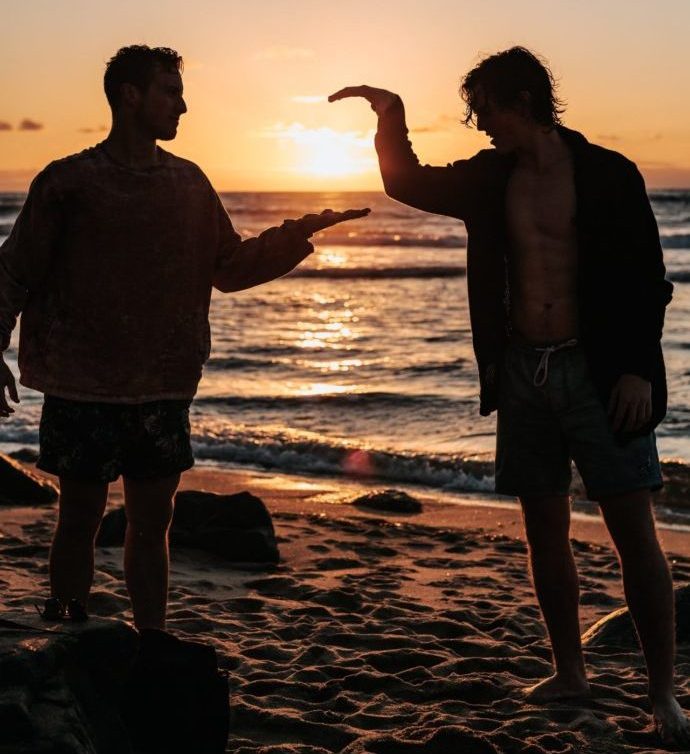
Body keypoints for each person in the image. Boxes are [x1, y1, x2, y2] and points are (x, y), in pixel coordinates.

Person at [329, 46, 689, 744]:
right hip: (524, 372)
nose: (480, 124)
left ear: (520, 101)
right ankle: (571, 672)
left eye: (485, 109)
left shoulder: (609, 174)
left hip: (601, 373)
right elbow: (406, 181)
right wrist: (389, 114)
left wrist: (639, 370)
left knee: (633, 533)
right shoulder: (490, 178)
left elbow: (650, 280)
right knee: (542, 530)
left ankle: (662, 697)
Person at [0, 44, 368, 632]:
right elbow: (14, 270)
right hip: (82, 387)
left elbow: (228, 267)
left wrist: (298, 234)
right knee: (78, 517)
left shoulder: (189, 184)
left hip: (163, 387)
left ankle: (152, 641)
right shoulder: (69, 182)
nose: (183, 105)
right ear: (131, 96)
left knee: (154, 525)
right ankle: (66, 627)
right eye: (170, 91)